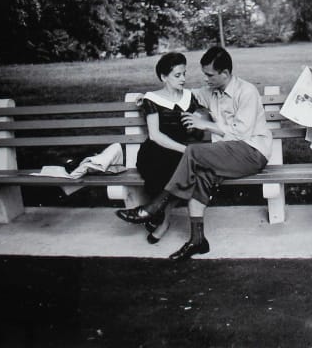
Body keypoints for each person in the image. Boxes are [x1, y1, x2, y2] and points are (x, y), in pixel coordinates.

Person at [116, 46, 272, 260]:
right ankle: (198, 240)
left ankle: (153, 207)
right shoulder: (210, 91)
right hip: (227, 154)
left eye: (210, 75)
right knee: (200, 175)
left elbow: (241, 133)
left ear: (225, 74)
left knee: (193, 153)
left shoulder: (247, 91)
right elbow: (179, 95)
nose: (205, 79)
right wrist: (147, 97)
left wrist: (204, 125)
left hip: (252, 152)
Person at [122, 52, 204, 244]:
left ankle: (159, 217)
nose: (183, 79)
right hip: (155, 150)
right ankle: (161, 218)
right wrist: (184, 150)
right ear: (163, 77)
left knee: (179, 170)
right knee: (167, 167)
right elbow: (155, 135)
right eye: (177, 75)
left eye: (184, 74)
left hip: (179, 152)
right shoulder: (152, 99)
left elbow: (199, 132)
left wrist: (195, 126)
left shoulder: (190, 99)